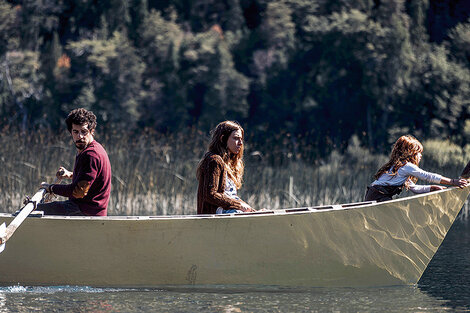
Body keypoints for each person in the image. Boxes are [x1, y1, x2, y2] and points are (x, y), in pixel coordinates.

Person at [39, 108, 112, 216]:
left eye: (84, 132)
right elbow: (90, 179)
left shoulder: (91, 155)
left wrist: (51, 188)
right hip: (85, 208)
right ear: (71, 132)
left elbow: (79, 192)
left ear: (92, 131)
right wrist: (71, 175)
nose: (80, 136)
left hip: (85, 211)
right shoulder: (89, 149)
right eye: (76, 132)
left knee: (33, 211)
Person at [364, 135, 467, 202]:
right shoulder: (406, 166)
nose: (420, 156)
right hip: (378, 196)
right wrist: (453, 181)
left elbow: (415, 189)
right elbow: (428, 176)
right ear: (411, 153)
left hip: (371, 195)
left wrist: (431, 188)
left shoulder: (399, 168)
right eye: (419, 153)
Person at [196, 121, 255, 214]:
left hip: (230, 213)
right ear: (223, 139)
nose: (240, 143)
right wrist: (239, 205)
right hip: (215, 217)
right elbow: (210, 195)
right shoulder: (214, 160)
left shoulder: (230, 164)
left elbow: (231, 197)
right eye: (236, 138)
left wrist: (252, 211)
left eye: (241, 139)